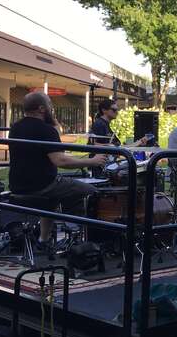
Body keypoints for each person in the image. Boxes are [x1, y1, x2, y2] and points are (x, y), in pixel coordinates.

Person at [8, 92, 107, 247]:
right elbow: (60, 161)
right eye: (49, 105)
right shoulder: (46, 130)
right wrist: (92, 161)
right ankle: (81, 238)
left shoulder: (16, 128)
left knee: (53, 199)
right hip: (44, 186)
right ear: (42, 109)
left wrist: (53, 124)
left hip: (17, 186)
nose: (52, 108)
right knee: (91, 192)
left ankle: (44, 240)